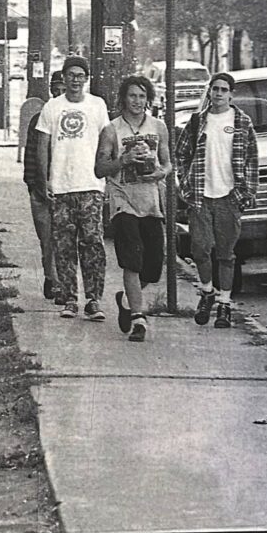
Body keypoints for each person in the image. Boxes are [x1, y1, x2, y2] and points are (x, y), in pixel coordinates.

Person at [175, 70, 258, 328]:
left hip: (229, 197)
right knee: (200, 249)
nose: (219, 94)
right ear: (209, 92)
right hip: (201, 196)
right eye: (215, 89)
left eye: (224, 90)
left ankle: (224, 305)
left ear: (231, 94)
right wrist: (187, 185)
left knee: (225, 254)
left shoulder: (242, 123)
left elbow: (252, 159)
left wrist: (246, 192)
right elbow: (181, 154)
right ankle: (208, 292)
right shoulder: (198, 121)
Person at [94, 75, 172, 341]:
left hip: (150, 202)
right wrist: (124, 160)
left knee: (152, 268)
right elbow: (100, 169)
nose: (137, 102)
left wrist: (160, 174)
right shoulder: (112, 130)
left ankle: (128, 302)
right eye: (132, 96)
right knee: (132, 259)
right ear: (123, 98)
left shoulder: (159, 127)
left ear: (148, 99)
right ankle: (139, 319)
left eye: (142, 96)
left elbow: (167, 164)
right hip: (122, 201)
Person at [33, 55, 110, 321]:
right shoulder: (52, 108)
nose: (75, 80)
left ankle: (93, 299)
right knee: (63, 246)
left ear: (86, 79)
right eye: (71, 75)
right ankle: (69, 298)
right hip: (61, 187)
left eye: (80, 75)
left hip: (90, 186)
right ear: (63, 78)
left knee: (92, 243)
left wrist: (106, 176)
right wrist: (44, 180)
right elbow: (42, 145)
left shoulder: (97, 105)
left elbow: (106, 141)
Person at [23, 70, 65, 302]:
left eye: (63, 90)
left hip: (67, 188)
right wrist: (37, 186)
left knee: (65, 238)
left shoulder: (75, 119)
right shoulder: (38, 119)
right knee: (47, 237)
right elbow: (31, 157)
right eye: (56, 90)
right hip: (41, 189)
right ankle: (52, 277)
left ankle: (60, 283)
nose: (59, 95)